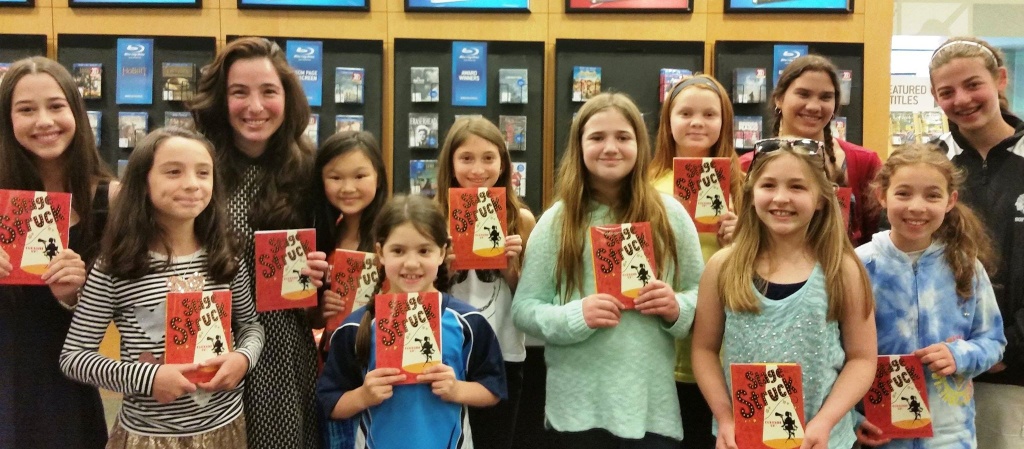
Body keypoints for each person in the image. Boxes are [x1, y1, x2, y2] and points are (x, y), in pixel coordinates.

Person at [512, 92, 704, 448]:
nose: (610, 148)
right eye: (597, 138)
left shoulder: (671, 215)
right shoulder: (558, 221)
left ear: (640, 144)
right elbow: (524, 309)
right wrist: (575, 315)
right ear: (579, 146)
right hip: (576, 410)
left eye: (623, 137)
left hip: (650, 408)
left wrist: (676, 307)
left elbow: (700, 295)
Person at [59, 127, 266, 448]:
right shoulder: (116, 265)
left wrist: (243, 359)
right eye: (173, 172)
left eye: (203, 173)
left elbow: (251, 325)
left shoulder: (226, 255)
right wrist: (149, 379)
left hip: (226, 428)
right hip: (150, 435)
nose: (191, 184)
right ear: (143, 182)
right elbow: (74, 357)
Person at [692, 138, 877, 449]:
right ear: (750, 195)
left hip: (822, 441)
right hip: (743, 439)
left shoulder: (841, 269)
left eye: (797, 187)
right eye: (768, 185)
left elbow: (862, 358)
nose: (781, 198)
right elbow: (704, 350)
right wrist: (725, 417)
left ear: (821, 198)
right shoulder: (723, 267)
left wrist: (825, 421)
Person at [190, 36, 328, 449]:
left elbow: (346, 253)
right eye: (239, 92)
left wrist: (324, 272)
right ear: (220, 99)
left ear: (288, 98)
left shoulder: (311, 170)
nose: (255, 107)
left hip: (283, 347)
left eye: (269, 91)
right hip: (209, 339)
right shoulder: (198, 165)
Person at [316, 194, 507, 449]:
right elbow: (330, 402)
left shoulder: (469, 322)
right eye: (398, 250)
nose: (411, 263)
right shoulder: (354, 328)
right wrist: (363, 396)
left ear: (442, 253)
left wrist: (457, 389)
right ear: (380, 253)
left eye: (424, 250)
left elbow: (493, 389)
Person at [854, 144, 1006, 448]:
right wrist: (850, 418)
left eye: (932, 195)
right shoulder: (858, 267)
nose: (917, 207)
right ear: (882, 196)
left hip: (950, 435)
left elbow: (994, 341)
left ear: (950, 201)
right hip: (878, 434)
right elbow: (836, 351)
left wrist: (960, 355)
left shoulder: (965, 266)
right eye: (904, 193)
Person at [0, 56, 115, 449]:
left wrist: (75, 297)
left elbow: (130, 308)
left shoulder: (108, 201)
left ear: (76, 112)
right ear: (8, 120)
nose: (43, 121)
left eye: (55, 106)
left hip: (65, 388)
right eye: (26, 110)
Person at [928, 36, 1024, 449]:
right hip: (942, 371)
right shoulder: (929, 164)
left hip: (1016, 374)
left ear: (1000, 79)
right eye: (946, 92)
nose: (962, 100)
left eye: (973, 84)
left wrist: (1010, 348)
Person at [649, 74, 742, 449]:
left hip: (724, 341)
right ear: (668, 121)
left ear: (724, 123)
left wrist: (743, 238)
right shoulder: (647, 184)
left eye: (709, 114)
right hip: (662, 335)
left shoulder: (743, 184)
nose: (697, 122)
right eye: (685, 113)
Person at [435, 117, 537, 449]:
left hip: (503, 351)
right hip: (446, 354)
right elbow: (415, 297)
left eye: (489, 158)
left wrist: (511, 269)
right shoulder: (433, 218)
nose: (478, 169)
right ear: (450, 163)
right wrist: (443, 273)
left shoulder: (520, 219)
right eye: (466, 158)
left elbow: (532, 302)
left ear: (504, 164)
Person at [739, 55, 882, 246]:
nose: (814, 106)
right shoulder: (748, 165)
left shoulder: (864, 162)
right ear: (779, 99)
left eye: (825, 97)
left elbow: (878, 237)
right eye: (803, 94)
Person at [311, 130, 388, 448]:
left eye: (360, 175)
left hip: (382, 369)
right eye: (335, 177)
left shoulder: (395, 232)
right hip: (335, 370)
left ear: (378, 177)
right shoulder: (324, 237)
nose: (348, 187)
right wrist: (319, 309)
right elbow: (315, 319)